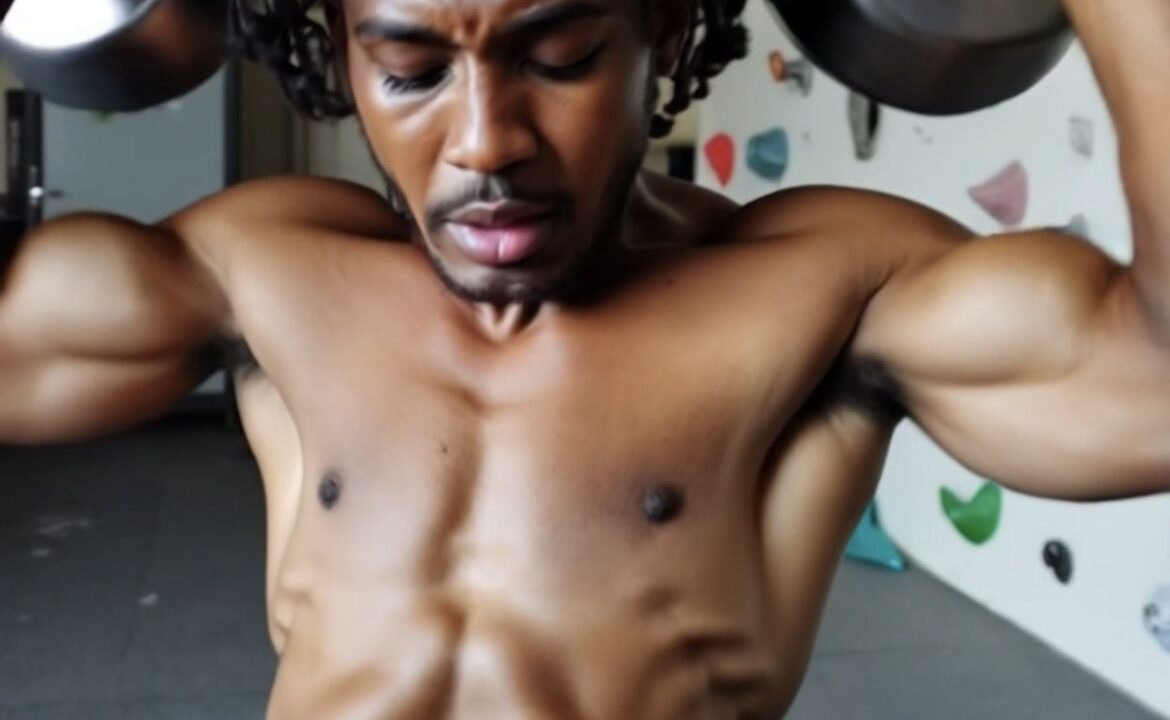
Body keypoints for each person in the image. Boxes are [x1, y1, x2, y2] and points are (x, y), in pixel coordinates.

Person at [2, 0, 1167, 717]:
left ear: (666, 28)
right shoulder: (268, 271)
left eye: (558, 55)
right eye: (411, 70)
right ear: (341, 55)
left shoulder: (829, 288)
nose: (485, 142)